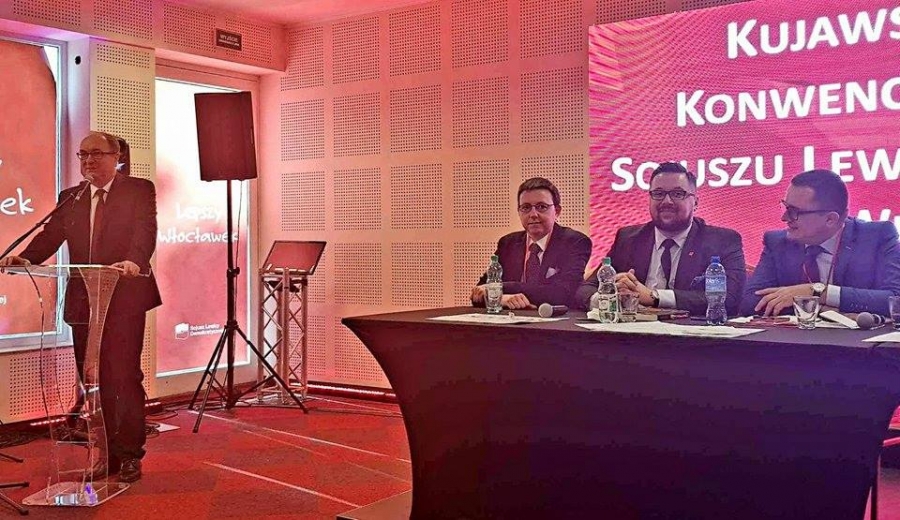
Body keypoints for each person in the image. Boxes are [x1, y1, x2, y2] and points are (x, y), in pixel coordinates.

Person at [0, 131, 161, 482]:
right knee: (94, 380)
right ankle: (106, 453)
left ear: (117, 157)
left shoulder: (138, 190)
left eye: (97, 153)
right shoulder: (70, 197)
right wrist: (26, 257)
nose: (89, 160)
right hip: (82, 301)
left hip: (123, 298)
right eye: (83, 154)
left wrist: (134, 261)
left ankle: (129, 455)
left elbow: (145, 232)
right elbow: (51, 235)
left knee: (123, 377)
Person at [574, 162, 746, 316]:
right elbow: (586, 289)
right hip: (633, 334)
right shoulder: (628, 238)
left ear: (695, 202)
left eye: (677, 194)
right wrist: (609, 298)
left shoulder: (722, 241)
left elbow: (729, 299)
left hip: (692, 336)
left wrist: (654, 297)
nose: (667, 201)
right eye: (658, 193)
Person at [740, 169, 900, 317]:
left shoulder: (877, 237)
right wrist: (822, 309)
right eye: (785, 207)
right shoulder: (777, 243)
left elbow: (895, 299)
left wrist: (818, 292)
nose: (785, 218)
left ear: (830, 219)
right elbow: (751, 303)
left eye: (794, 212)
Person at [471, 177, 591, 309]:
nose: (533, 214)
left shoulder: (575, 242)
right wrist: (501, 299)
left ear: (557, 211)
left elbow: (563, 293)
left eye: (541, 207)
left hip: (555, 318)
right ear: (519, 212)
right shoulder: (508, 244)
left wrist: (500, 288)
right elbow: (479, 292)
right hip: (511, 319)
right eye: (526, 208)